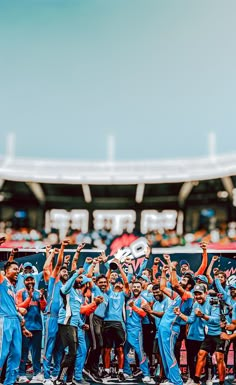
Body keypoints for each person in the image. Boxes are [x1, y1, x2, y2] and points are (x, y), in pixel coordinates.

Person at [158, 256, 194, 385]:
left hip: (171, 328)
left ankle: (177, 381)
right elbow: (162, 287)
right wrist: (163, 272)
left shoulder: (189, 296)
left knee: (169, 354)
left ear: (189, 285)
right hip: (164, 327)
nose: (181, 279)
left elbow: (174, 284)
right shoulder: (178, 296)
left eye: (184, 279)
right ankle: (170, 379)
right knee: (164, 354)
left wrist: (172, 268)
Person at [0, 260, 32, 385]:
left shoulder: (12, 288)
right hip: (4, 320)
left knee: (16, 355)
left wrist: (23, 328)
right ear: (6, 271)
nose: (17, 272)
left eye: (17, 270)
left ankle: (9, 382)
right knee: (2, 355)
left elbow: (14, 308)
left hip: (15, 323)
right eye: (14, 269)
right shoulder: (2, 282)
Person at [16, 273, 47, 383]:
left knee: (37, 352)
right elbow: (19, 307)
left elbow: (44, 308)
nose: (30, 282)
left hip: (37, 327)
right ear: (24, 282)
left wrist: (42, 299)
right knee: (23, 351)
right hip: (25, 326)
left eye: (31, 280)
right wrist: (29, 297)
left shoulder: (39, 293)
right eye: (27, 280)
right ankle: (21, 374)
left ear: (34, 281)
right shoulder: (20, 292)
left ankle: (37, 373)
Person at [123, 281, 152, 383]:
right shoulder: (128, 300)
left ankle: (146, 374)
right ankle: (127, 371)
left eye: (138, 287)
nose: (135, 288)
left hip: (136, 330)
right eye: (134, 287)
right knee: (124, 351)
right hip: (126, 329)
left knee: (140, 352)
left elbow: (144, 314)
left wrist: (134, 307)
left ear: (141, 289)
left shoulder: (142, 300)